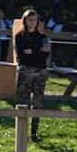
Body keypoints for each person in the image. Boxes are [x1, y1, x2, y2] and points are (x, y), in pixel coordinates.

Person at [16, 9, 51, 143]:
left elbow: (45, 55)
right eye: (29, 19)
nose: (32, 22)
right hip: (24, 71)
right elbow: (22, 55)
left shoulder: (42, 37)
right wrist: (38, 52)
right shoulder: (20, 36)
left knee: (37, 102)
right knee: (22, 101)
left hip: (40, 72)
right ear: (25, 20)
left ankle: (34, 133)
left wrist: (33, 51)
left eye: (34, 19)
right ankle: (21, 132)